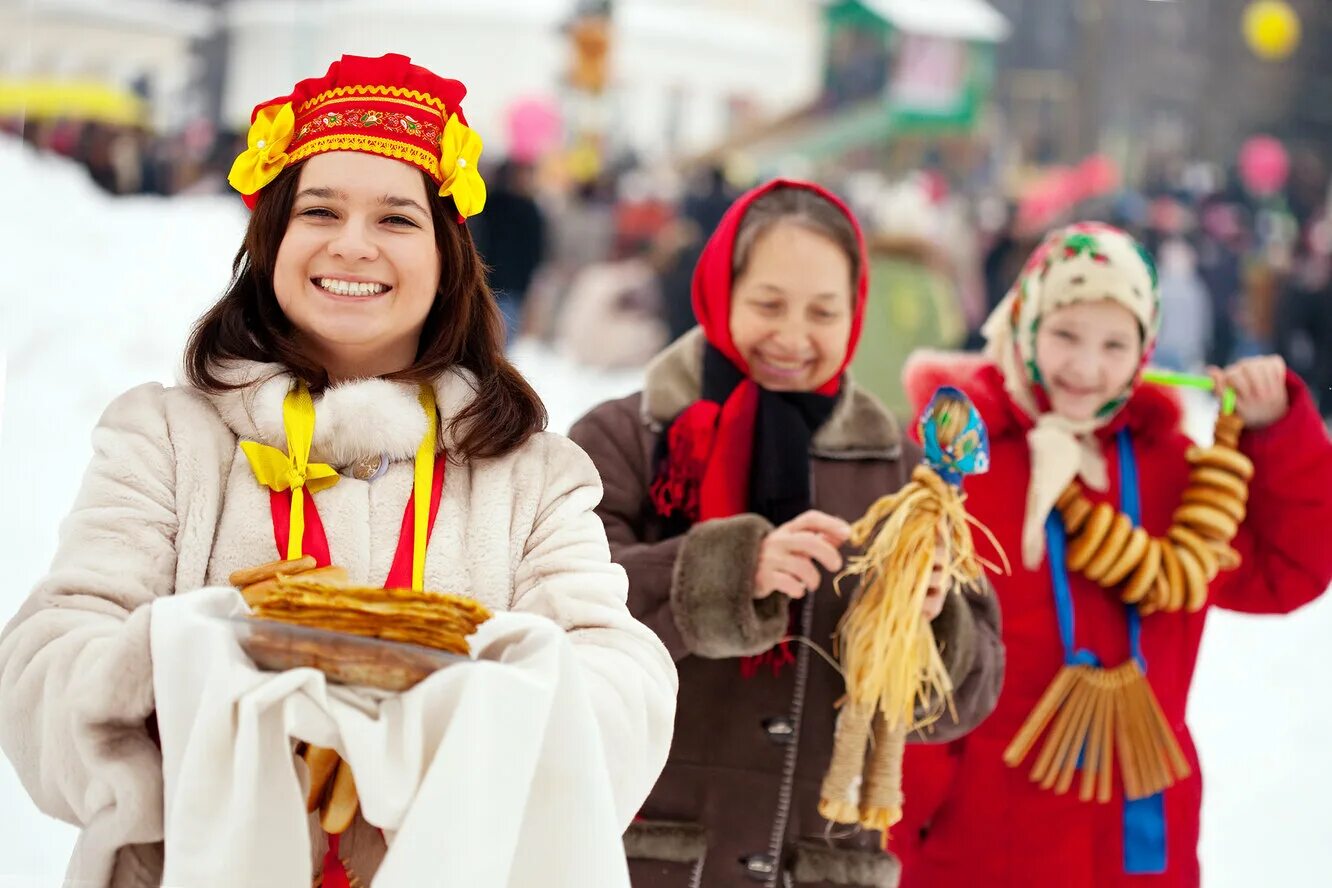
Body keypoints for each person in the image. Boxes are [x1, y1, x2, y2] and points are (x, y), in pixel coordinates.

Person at [0, 52, 675, 887]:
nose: (352, 245)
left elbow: (623, 686)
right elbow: (45, 666)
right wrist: (199, 665)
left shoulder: (534, 476)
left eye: (397, 219)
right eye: (319, 210)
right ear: (273, 237)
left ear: (446, 258)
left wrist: (455, 711)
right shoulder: (164, 438)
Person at [568, 179, 1004, 887]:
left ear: (854, 313)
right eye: (768, 304)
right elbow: (559, 616)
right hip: (652, 859)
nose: (793, 336)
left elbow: (970, 692)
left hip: (820, 863)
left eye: (823, 312)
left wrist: (924, 625)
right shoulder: (628, 437)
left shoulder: (903, 471)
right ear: (719, 292)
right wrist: (729, 574)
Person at [895, 221, 1332, 887]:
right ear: (1025, 324)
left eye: (1114, 343)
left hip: (1137, 835)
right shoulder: (959, 462)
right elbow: (908, 657)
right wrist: (900, 829)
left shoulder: (1173, 469)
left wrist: (1277, 437)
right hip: (986, 840)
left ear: (1146, 350)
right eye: (1065, 334)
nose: (1087, 368)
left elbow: (1287, 573)